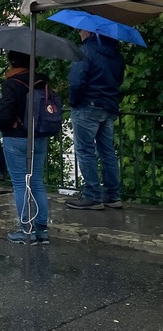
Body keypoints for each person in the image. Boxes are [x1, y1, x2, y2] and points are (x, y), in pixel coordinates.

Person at [66, 29, 126, 210]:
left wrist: (73, 102)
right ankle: (113, 195)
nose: (79, 33)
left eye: (81, 30)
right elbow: (119, 79)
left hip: (87, 107)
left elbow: (76, 80)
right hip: (108, 106)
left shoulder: (85, 51)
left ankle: (93, 195)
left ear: (89, 32)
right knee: (107, 151)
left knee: (85, 151)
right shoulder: (115, 53)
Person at [0, 51, 50, 244]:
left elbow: (5, 114)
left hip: (16, 137)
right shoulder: (42, 82)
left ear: (13, 62)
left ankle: (26, 229)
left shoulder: (12, 83)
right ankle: (42, 230)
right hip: (39, 136)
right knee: (36, 182)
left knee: (21, 184)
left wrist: (4, 126)